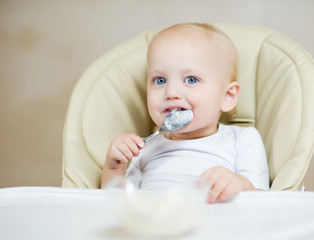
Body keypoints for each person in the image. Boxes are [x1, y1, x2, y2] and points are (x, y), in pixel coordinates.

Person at [101, 23, 269, 203]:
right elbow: (117, 203)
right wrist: (114, 168)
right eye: (160, 80)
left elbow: (262, 204)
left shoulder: (242, 140)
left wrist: (241, 185)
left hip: (219, 228)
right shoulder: (144, 149)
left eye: (191, 79)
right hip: (154, 228)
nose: (171, 92)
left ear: (227, 96)